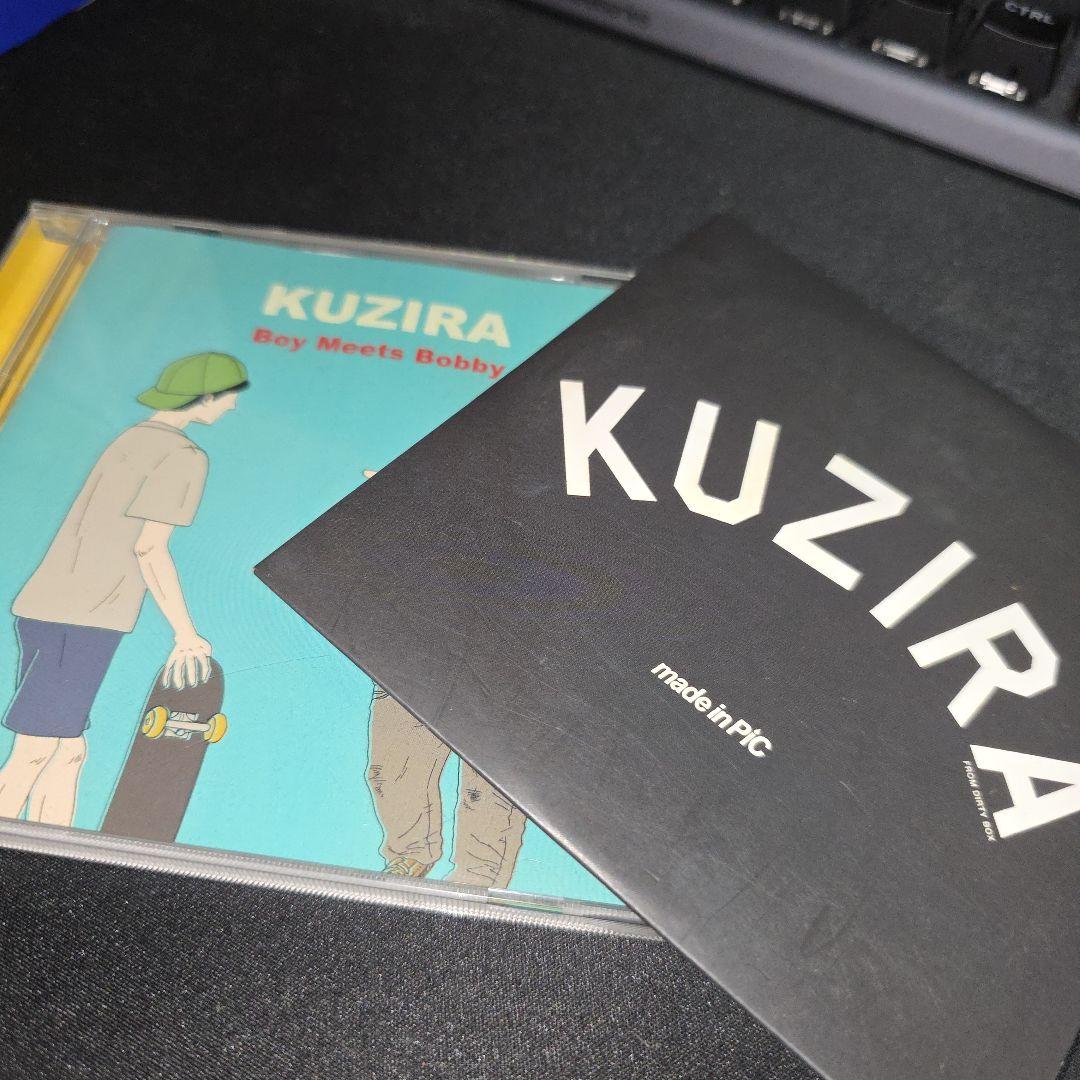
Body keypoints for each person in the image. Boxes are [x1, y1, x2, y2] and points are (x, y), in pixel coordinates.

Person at [0, 351, 247, 826]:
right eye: (230, 395)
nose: (233, 405)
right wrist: (185, 633)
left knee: (68, 751)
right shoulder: (183, 456)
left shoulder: (131, 438)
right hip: (85, 618)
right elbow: (148, 548)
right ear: (205, 395)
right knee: (34, 751)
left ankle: (56, 852)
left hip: (49, 609)